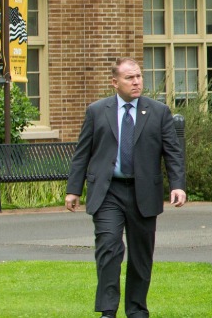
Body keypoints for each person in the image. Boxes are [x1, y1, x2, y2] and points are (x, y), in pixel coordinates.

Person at [65, 58, 187, 318]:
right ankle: (108, 311)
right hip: (108, 191)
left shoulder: (158, 111)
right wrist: (73, 189)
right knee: (109, 247)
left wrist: (177, 185)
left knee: (141, 256)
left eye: (139, 77)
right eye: (130, 78)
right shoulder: (97, 111)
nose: (136, 82)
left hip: (143, 192)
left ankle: (136, 310)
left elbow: (173, 153)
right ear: (115, 82)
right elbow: (82, 153)